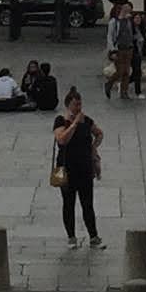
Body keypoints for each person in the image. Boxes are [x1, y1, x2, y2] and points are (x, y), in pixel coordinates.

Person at [51, 85, 103, 248]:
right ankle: (71, 237)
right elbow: (62, 139)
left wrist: (93, 148)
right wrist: (73, 125)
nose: (78, 108)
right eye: (75, 105)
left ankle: (93, 236)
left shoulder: (87, 121)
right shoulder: (61, 121)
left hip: (84, 167)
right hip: (66, 168)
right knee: (69, 203)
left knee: (87, 203)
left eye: (80, 105)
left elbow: (99, 133)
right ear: (68, 105)